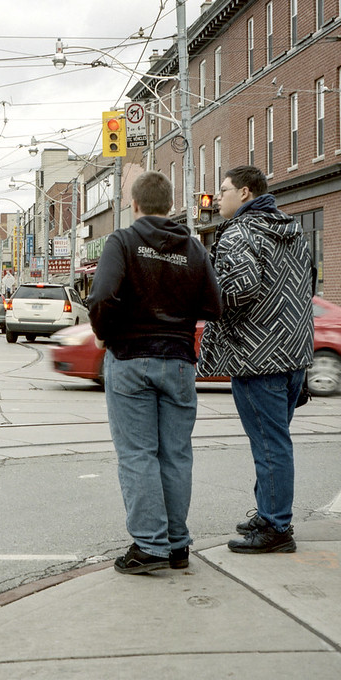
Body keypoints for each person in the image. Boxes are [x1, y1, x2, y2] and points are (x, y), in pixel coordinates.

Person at [87, 171, 222, 574]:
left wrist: (104, 335)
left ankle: (150, 546)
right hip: (179, 359)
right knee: (176, 454)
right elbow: (214, 307)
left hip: (130, 357)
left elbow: (102, 296)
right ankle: (177, 544)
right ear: (170, 204)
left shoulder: (123, 241)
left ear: (135, 204)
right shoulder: (194, 248)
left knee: (137, 454)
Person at [198, 166, 314, 555]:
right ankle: (269, 513)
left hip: (256, 356)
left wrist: (207, 298)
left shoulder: (240, 232)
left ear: (245, 193)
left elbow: (241, 287)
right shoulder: (292, 230)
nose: (218, 197)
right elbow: (308, 285)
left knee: (269, 445)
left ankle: (277, 527)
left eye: (224, 190)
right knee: (274, 442)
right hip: (294, 354)